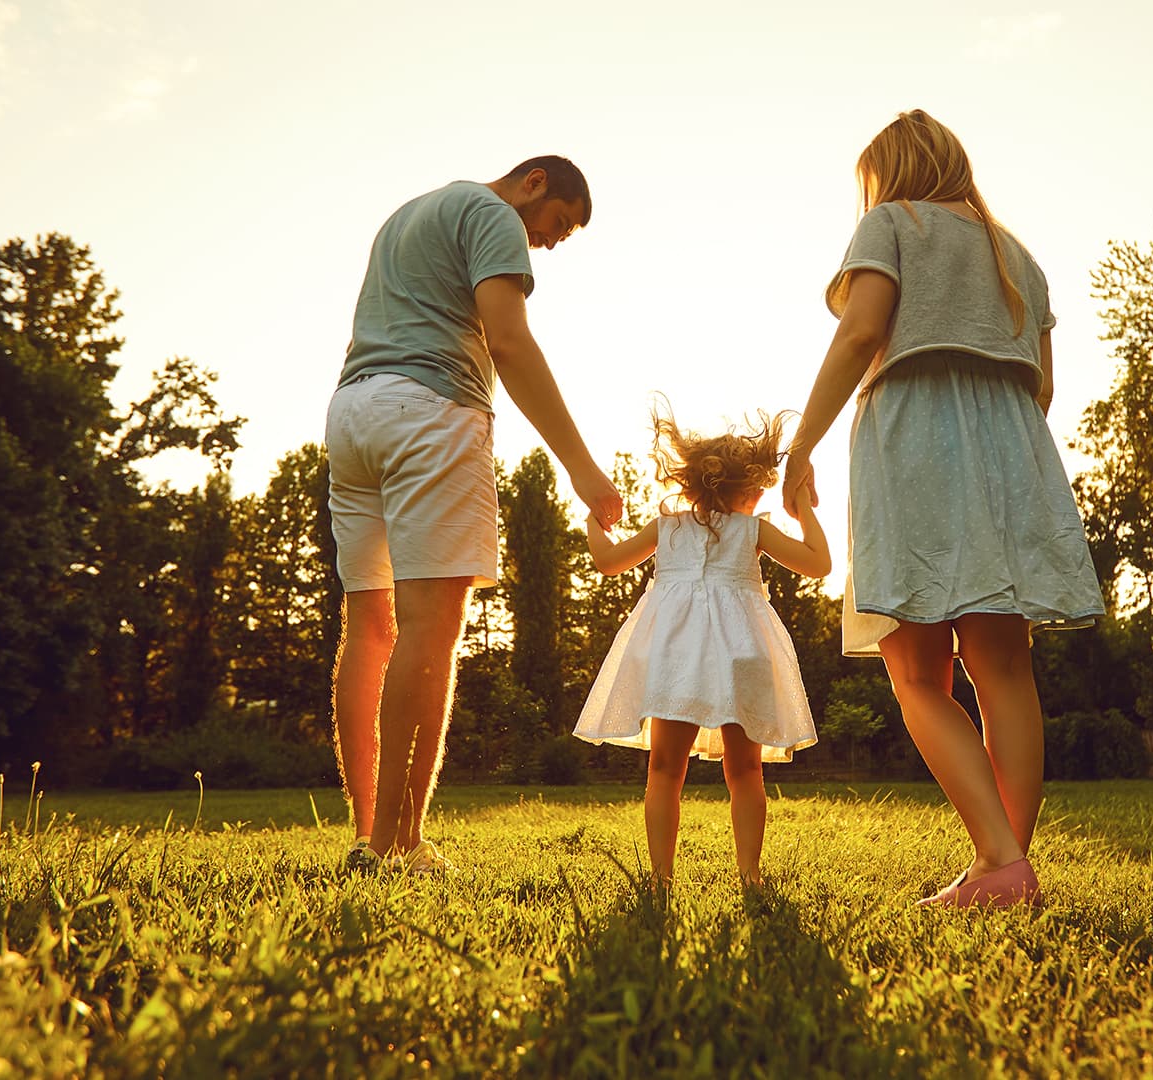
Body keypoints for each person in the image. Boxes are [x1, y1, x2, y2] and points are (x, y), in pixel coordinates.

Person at [782, 110, 1106, 908]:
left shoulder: (892, 223)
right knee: (1003, 666)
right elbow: (1044, 386)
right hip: (1012, 451)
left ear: (887, 174)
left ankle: (999, 862)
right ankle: (1004, 865)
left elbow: (861, 333)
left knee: (917, 671)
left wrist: (802, 445)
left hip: (917, 443)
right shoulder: (1018, 256)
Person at [328, 156, 624, 876]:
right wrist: (582, 469)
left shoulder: (409, 214)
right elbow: (509, 341)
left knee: (368, 627)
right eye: (555, 224)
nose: (548, 245)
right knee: (431, 629)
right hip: (431, 413)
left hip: (353, 412)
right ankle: (400, 844)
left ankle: (371, 835)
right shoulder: (493, 215)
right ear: (533, 183)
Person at [574, 407, 830, 888]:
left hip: (675, 655)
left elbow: (608, 561)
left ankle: (660, 877)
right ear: (751, 490)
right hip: (742, 652)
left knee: (665, 769)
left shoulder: (666, 527)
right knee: (746, 770)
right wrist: (804, 508)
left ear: (690, 485)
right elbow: (819, 564)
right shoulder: (752, 530)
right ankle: (751, 875)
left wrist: (595, 521)